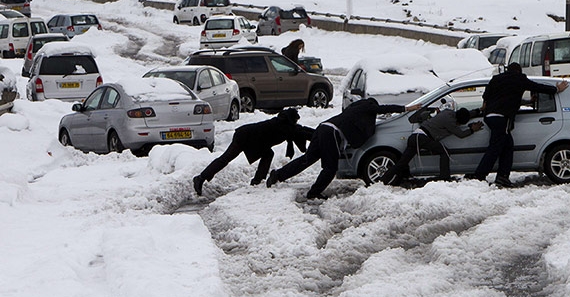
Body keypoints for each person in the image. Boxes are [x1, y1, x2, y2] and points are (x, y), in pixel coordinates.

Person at [266, 98, 422, 199]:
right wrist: (405, 109)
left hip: (323, 127)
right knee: (330, 167)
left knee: (307, 159)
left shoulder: (353, 109)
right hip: (332, 132)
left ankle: (277, 175)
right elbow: (384, 109)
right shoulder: (367, 107)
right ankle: (314, 193)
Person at [470, 62, 568, 187]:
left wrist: (527, 102)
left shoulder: (496, 79)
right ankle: (480, 175)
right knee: (495, 147)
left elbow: (492, 97)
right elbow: (537, 87)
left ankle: (502, 176)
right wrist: (556, 89)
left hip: (490, 116)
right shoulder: (519, 79)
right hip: (501, 118)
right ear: (519, 71)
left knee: (507, 145)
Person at [192, 108, 314, 196]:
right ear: (291, 120)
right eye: (296, 120)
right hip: (244, 137)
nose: (296, 123)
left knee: (268, 154)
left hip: (250, 137)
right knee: (226, 159)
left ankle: (257, 180)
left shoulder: (281, 123)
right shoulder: (284, 127)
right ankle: (200, 178)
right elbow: (301, 132)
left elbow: (301, 130)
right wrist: (319, 134)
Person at [379, 107, 484, 186]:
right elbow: (461, 134)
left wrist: (479, 110)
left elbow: (466, 114)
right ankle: (444, 178)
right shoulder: (450, 122)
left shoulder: (448, 112)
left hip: (415, 137)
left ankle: (383, 181)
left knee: (402, 163)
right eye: (459, 123)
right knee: (444, 151)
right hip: (422, 138)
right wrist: (472, 130)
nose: (458, 124)